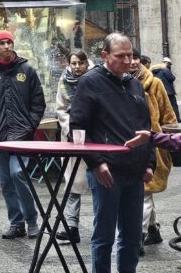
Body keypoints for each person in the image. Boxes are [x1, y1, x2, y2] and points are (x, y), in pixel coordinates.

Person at [70, 32, 155, 273]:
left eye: (130, 55)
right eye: (121, 56)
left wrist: (149, 163)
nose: (128, 61)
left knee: (131, 237)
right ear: (105, 55)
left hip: (135, 171)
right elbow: (77, 127)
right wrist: (96, 163)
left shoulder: (134, 83)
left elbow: (145, 128)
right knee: (104, 236)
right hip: (107, 171)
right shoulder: (90, 82)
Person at [0, 30, 44, 239]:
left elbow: (38, 103)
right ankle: (17, 223)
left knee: (18, 174)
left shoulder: (27, 70)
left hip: (22, 136)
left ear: (13, 45)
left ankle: (31, 220)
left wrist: (30, 125)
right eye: (2, 43)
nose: (6, 46)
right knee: (6, 182)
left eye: (9, 42)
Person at [130, 50, 176, 252]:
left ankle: (136, 238)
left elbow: (169, 115)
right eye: (127, 57)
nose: (131, 62)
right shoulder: (119, 83)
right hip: (129, 143)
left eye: (135, 58)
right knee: (144, 192)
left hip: (153, 146)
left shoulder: (154, 83)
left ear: (141, 60)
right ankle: (153, 230)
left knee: (144, 193)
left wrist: (169, 140)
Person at [54, 49, 93, 243]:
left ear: (87, 63)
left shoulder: (97, 78)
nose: (77, 67)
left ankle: (104, 225)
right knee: (71, 182)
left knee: (99, 182)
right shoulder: (64, 80)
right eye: (74, 63)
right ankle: (71, 227)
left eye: (80, 63)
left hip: (94, 137)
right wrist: (70, 126)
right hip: (71, 136)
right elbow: (60, 108)